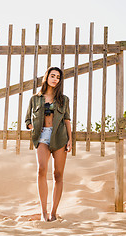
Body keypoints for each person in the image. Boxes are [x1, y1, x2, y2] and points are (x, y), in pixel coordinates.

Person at [25, 66, 72, 222]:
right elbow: (27, 119)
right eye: (52, 76)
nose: (55, 79)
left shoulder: (63, 99)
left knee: (58, 175)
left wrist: (70, 139)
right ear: (47, 77)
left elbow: (66, 120)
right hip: (42, 137)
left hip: (59, 137)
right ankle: (43, 211)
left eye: (58, 77)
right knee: (41, 170)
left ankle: (53, 212)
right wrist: (32, 128)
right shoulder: (35, 99)